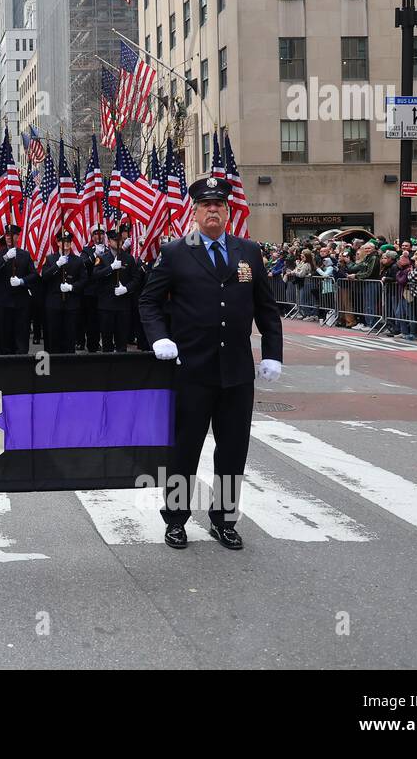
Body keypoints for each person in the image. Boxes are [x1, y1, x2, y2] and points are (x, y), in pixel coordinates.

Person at [139, 176, 284, 551]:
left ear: (228, 210)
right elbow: (148, 302)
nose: (213, 210)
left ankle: (224, 519)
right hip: (192, 370)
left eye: (219, 205)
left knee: (233, 451)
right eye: (206, 205)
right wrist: (160, 337)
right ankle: (175, 520)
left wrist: (272, 352)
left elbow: (267, 308)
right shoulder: (174, 252)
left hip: (236, 372)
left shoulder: (248, 252)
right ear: (196, 211)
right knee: (184, 450)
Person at [0, 224, 38, 355]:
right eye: (7, 235)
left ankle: (21, 358)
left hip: (20, 300)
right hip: (3, 300)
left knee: (21, 333)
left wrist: (22, 281)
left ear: (17, 237)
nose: (9, 237)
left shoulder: (25, 255)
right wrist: (5, 258)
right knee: (4, 333)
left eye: (12, 235)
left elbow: (33, 275)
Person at [90, 231, 140, 352]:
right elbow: (95, 275)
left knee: (122, 339)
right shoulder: (101, 258)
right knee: (107, 339)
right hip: (106, 305)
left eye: (120, 241)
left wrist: (126, 289)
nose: (117, 243)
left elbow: (136, 279)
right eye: (114, 240)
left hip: (123, 305)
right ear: (109, 242)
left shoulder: (129, 258)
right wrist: (111, 268)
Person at [41, 230, 86, 354]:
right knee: (53, 335)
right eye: (62, 241)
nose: (65, 243)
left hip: (71, 303)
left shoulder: (77, 260)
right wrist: (57, 265)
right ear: (58, 242)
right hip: (53, 303)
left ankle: (68, 363)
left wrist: (71, 287)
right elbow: (44, 276)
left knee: (69, 335)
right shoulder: (50, 259)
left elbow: (83, 280)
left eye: (68, 241)